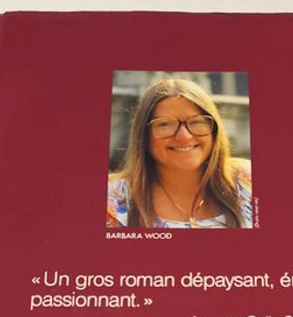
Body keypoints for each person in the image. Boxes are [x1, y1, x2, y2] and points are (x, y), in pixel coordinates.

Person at [107, 77, 252, 229]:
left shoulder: (249, 181)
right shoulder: (111, 199)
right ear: (144, 136)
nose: (184, 136)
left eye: (196, 122)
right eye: (165, 124)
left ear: (215, 130)